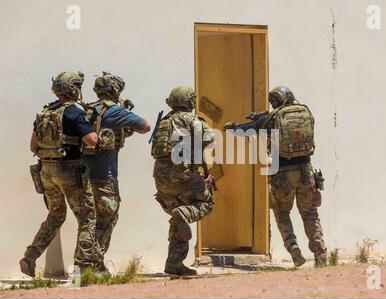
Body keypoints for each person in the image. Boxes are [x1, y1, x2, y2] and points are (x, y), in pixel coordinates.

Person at [224, 86, 327, 267]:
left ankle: (293, 246)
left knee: (282, 212)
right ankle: (320, 256)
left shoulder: (270, 119)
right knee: (310, 214)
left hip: (282, 175)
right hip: (305, 172)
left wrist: (231, 127)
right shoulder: (305, 113)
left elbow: (245, 130)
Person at [20, 71, 102, 277]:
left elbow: (33, 145)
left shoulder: (45, 112)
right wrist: (101, 138)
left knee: (56, 215)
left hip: (46, 171)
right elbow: (91, 140)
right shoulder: (75, 112)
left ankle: (30, 257)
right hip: (69, 170)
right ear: (73, 88)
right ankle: (81, 269)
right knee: (87, 217)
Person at [81, 72, 150, 273]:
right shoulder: (114, 111)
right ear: (115, 90)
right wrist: (123, 113)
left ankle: (83, 266)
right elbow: (145, 126)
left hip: (82, 175)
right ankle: (94, 265)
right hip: (105, 177)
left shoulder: (86, 110)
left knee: (88, 221)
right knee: (106, 219)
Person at [151, 86, 215, 276]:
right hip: (182, 173)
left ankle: (174, 263)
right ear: (188, 101)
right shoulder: (190, 119)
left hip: (161, 177)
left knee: (178, 219)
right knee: (204, 203)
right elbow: (209, 139)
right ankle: (184, 214)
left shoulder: (163, 121)